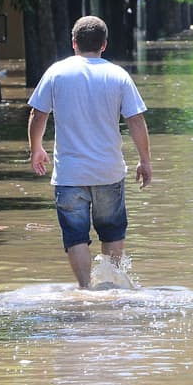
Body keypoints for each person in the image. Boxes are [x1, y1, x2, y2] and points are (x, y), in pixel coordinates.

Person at [27, 15, 152, 289]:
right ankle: (110, 286)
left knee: (75, 236)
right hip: (108, 171)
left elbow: (38, 114)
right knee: (113, 231)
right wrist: (145, 161)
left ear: (74, 43)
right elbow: (136, 120)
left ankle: (85, 289)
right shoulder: (118, 75)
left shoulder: (56, 73)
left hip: (69, 174)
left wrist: (36, 148)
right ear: (104, 45)